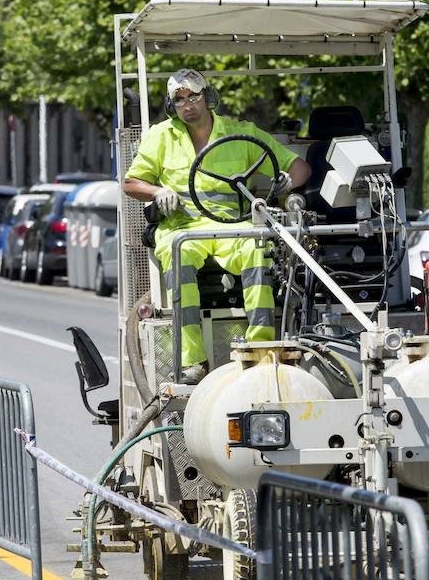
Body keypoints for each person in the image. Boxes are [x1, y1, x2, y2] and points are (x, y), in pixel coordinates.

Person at [123, 68, 312, 384]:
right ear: (172, 106)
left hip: (230, 227)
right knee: (177, 252)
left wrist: (288, 182)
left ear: (208, 97)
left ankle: (262, 348)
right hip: (182, 227)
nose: (188, 104)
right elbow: (131, 183)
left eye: (193, 96)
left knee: (258, 247)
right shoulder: (160, 136)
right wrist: (159, 191)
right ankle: (192, 362)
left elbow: (300, 166)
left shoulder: (240, 134)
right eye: (179, 99)